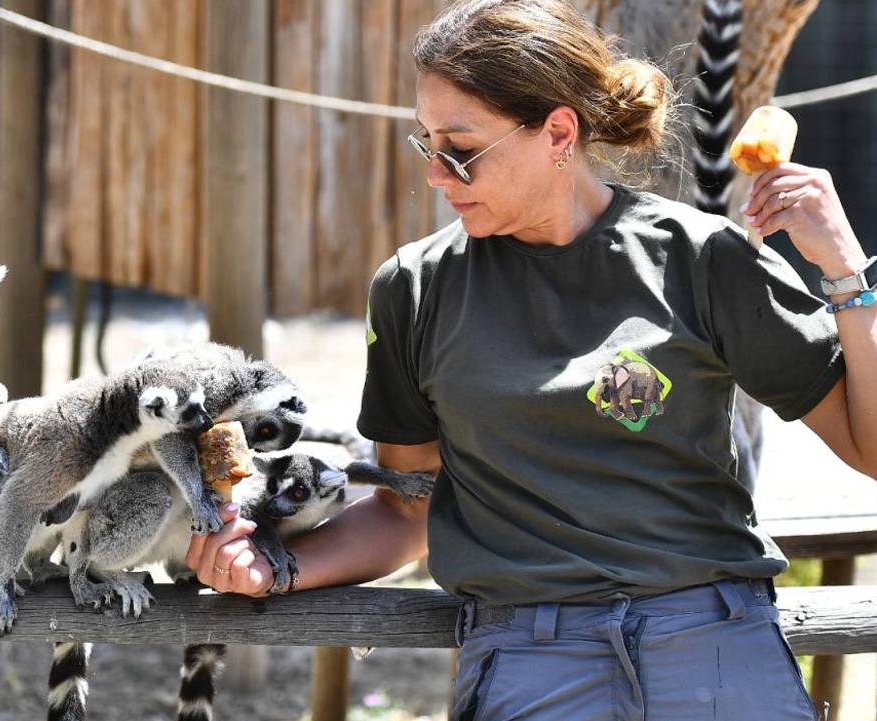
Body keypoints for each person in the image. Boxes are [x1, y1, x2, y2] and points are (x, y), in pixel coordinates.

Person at [186, 1, 877, 718]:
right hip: (532, 656)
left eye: (460, 147)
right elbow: (405, 509)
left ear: (558, 131)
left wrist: (847, 273)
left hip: (713, 639)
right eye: (426, 144)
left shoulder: (702, 258)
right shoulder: (416, 289)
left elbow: (871, 444)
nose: (437, 174)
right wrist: (275, 564)